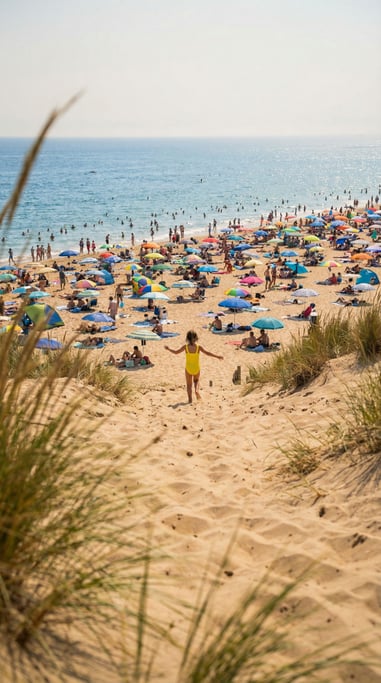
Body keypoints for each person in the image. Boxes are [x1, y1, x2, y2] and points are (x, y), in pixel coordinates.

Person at [165, 330, 223, 403]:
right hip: (196, 368)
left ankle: (190, 400)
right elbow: (207, 353)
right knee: (196, 381)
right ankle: (196, 391)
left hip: (188, 368)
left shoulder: (185, 347)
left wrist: (168, 349)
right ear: (196, 338)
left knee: (189, 385)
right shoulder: (198, 347)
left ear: (187, 338)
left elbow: (176, 352)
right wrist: (217, 356)